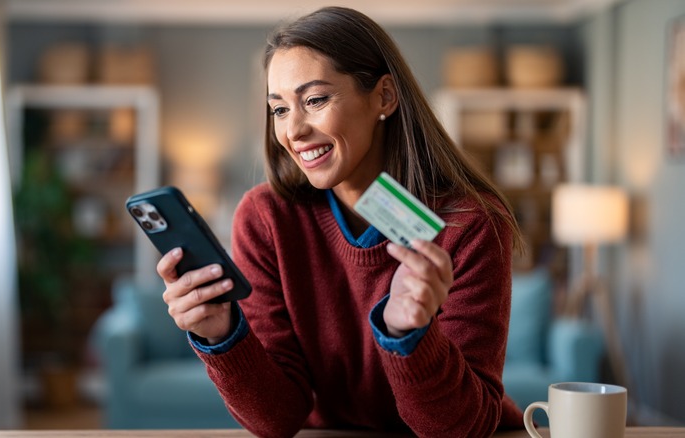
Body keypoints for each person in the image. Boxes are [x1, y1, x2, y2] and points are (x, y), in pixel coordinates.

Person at [157, 6, 525, 437]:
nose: (293, 130)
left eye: (314, 100)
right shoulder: (267, 219)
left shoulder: (470, 223)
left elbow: (462, 427)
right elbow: (276, 420)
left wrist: (407, 332)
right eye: (278, 109)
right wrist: (221, 335)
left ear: (384, 97)